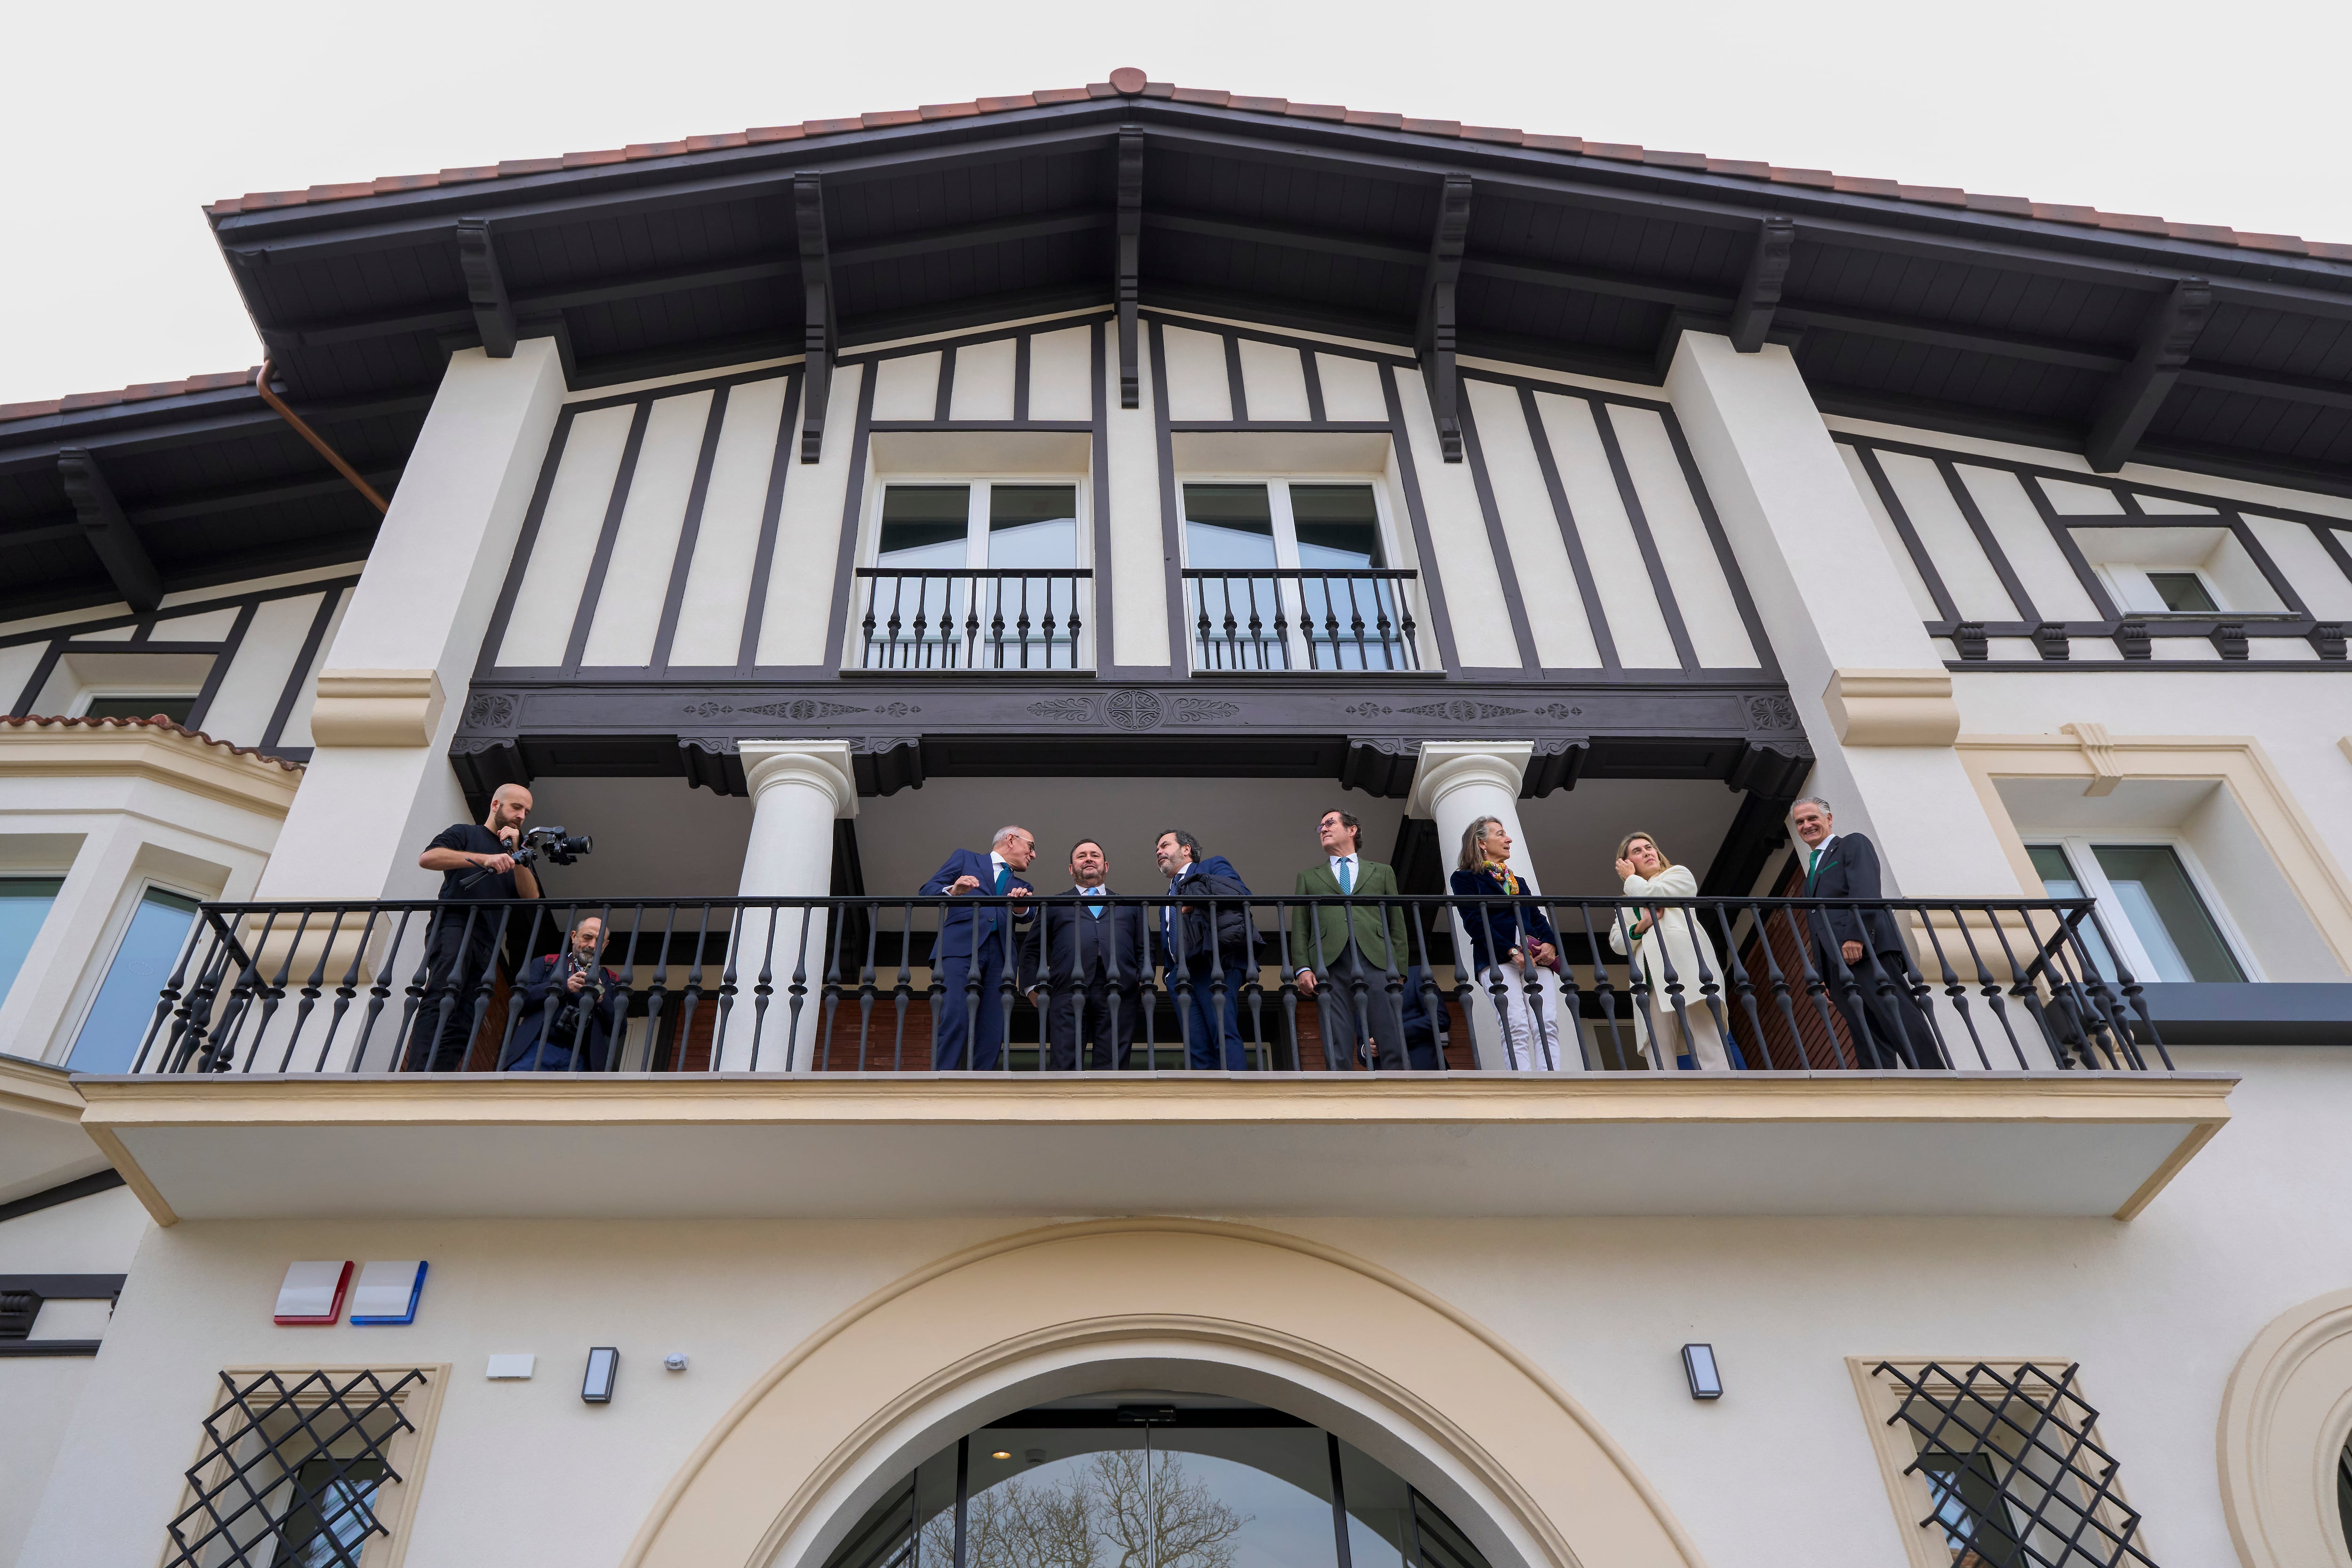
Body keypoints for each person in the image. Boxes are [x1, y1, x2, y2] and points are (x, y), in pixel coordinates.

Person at [1789, 796, 1945, 1069]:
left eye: (1812, 818)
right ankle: (1884, 1089)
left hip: (1866, 950)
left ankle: (1933, 1075)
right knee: (1866, 1030)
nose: (1807, 825)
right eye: (1800, 822)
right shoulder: (1810, 876)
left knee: (1897, 1015)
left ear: (1829, 819)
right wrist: (1824, 974)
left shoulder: (1852, 844)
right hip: (1837, 967)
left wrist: (1857, 936)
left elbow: (1866, 890)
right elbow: (1816, 926)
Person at [408, 783, 540, 1071]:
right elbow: (428, 858)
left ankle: (440, 1076)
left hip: (489, 941)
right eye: (516, 807)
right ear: (496, 805)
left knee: (468, 1013)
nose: (521, 816)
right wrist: (484, 859)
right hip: (456, 924)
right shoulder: (465, 833)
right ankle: (419, 1072)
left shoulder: (519, 854)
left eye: (526, 812)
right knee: (444, 992)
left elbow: (531, 896)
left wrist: (516, 852)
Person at [1291, 808, 1413, 1071]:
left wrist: (1399, 969)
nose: (1323, 829)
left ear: (1352, 830)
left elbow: (1397, 924)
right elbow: (1300, 926)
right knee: (1336, 1033)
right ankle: (1340, 1087)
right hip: (1329, 962)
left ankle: (1398, 1088)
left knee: (1388, 1030)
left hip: (1378, 958)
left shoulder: (1382, 872)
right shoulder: (1309, 877)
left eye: (1330, 823)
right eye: (1320, 827)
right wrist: (1302, 968)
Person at [1607, 831, 1737, 1071]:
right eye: (1637, 851)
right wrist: (1642, 925)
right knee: (1658, 1046)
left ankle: (1721, 1089)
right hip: (1648, 978)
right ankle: (1666, 1100)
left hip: (1687, 965)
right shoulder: (1626, 903)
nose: (1647, 852)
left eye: (1649, 847)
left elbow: (1653, 896)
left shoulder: (1677, 875)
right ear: (1627, 862)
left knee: (1707, 1035)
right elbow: (1617, 943)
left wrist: (1631, 880)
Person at [1021, 839, 1150, 1070]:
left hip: (1120, 990)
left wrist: (1143, 983)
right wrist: (1031, 988)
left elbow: (1145, 948)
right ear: (1072, 869)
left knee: (1113, 1066)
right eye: (1081, 856)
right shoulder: (1054, 904)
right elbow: (1031, 949)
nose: (1089, 859)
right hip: (1066, 989)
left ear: (1106, 866)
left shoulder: (1130, 905)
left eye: (1095, 855)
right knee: (1065, 1065)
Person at [1447, 816, 1565, 1070]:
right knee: (1516, 1024)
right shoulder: (1464, 878)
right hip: (1497, 958)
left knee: (1546, 1022)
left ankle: (1553, 1080)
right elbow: (1474, 921)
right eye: (1500, 834)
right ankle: (1522, 1082)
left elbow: (1536, 916)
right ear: (1481, 843)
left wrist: (1550, 944)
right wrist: (1511, 951)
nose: (1508, 839)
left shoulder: (1517, 882)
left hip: (1536, 957)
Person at [921, 826, 1037, 1070]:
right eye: (1031, 847)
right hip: (961, 948)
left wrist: (1020, 908)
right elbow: (926, 892)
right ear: (1011, 840)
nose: (1033, 855)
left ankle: (983, 1081)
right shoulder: (966, 858)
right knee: (955, 1015)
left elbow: (1029, 914)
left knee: (994, 1024)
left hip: (1001, 957)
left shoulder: (1023, 885)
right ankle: (942, 1078)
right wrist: (954, 891)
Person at [1152, 829, 1254, 1071]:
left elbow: (1240, 895)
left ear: (1186, 849)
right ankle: (1208, 1104)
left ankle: (1237, 1102)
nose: (1159, 852)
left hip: (1213, 963)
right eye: (1157, 850)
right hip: (1181, 975)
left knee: (1222, 1034)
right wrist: (1169, 974)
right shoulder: (1168, 895)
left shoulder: (1211, 866)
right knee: (1196, 1046)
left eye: (1165, 845)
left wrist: (1197, 902)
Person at [501, 916, 628, 1071]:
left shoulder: (612, 981)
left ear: (605, 945)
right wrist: (564, 987)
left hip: (582, 1059)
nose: (592, 945)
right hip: (536, 1047)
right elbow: (520, 1002)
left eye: (599, 941)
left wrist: (601, 998)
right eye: (587, 937)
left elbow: (620, 1028)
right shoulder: (546, 963)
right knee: (519, 1093)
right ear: (574, 936)